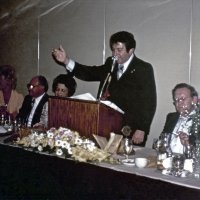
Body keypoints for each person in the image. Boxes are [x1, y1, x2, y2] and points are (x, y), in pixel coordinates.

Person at [52, 31, 157, 146]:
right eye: (113, 50)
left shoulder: (143, 68)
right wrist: (67, 61)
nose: (115, 54)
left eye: (119, 50)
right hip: (107, 126)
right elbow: (90, 73)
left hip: (131, 129)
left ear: (131, 50)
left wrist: (142, 128)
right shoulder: (110, 63)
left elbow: (149, 102)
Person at [162, 83, 198, 154]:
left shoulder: (198, 120)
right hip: (167, 161)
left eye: (183, 99)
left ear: (194, 100)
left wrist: (188, 146)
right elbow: (163, 140)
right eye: (176, 99)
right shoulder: (171, 117)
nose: (179, 103)